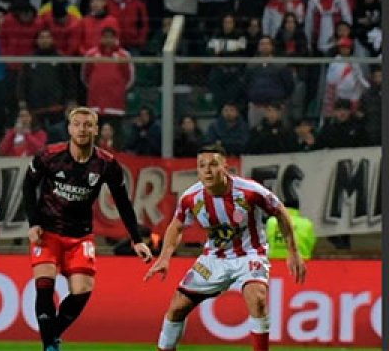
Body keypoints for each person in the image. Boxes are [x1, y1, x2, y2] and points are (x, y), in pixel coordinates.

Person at [145, 145, 307, 351]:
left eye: (213, 164)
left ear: (225, 167)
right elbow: (176, 226)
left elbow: (280, 211)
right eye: (202, 166)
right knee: (177, 308)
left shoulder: (250, 191)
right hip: (214, 258)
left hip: (250, 254)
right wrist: (165, 257)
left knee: (257, 299)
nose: (207, 170)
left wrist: (293, 251)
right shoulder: (191, 198)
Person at [23, 107, 152, 351]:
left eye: (87, 125)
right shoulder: (49, 156)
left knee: (82, 290)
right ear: (69, 129)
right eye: (77, 124)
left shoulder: (106, 164)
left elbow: (123, 202)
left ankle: (52, 334)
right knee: (44, 283)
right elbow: (28, 185)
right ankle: (50, 346)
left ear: (96, 130)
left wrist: (137, 239)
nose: (82, 129)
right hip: (47, 232)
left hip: (80, 234)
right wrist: (34, 223)